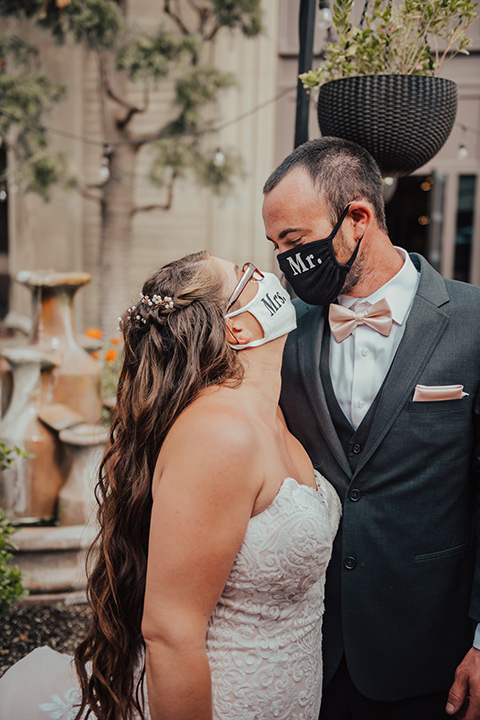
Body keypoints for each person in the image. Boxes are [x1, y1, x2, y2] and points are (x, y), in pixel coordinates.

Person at [0, 250, 341, 720]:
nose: (262, 272)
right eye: (245, 274)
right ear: (237, 328)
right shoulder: (218, 435)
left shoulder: (274, 413)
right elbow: (170, 631)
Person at [261, 137, 480, 720]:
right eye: (275, 246)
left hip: (436, 649)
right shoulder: (285, 331)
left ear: (358, 218)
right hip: (311, 653)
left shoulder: (474, 322)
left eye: (295, 241)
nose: (286, 261)